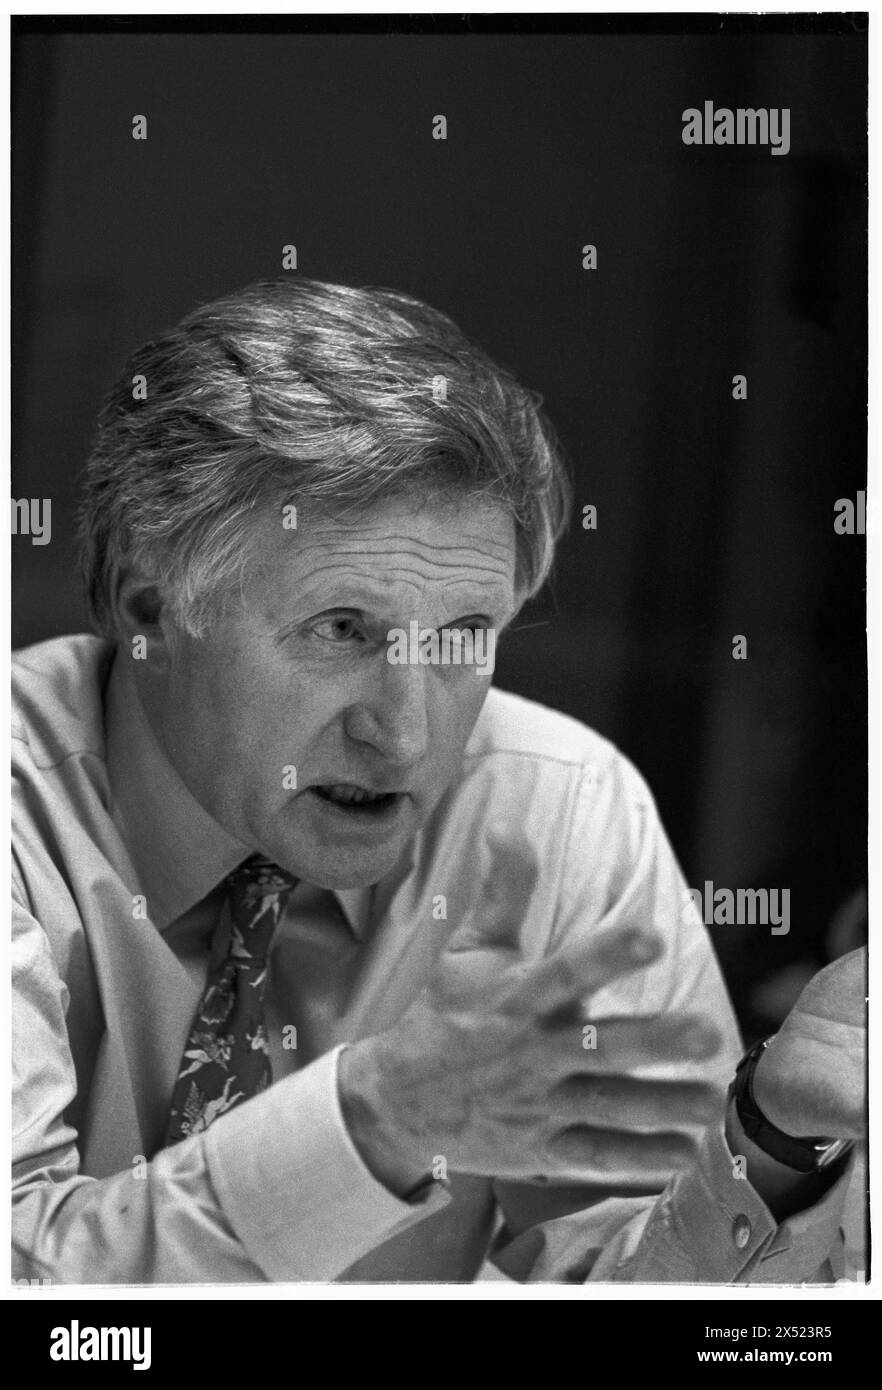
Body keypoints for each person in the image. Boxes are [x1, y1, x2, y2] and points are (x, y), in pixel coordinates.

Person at [12, 278, 865, 1284]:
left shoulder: (559, 811)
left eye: (465, 637)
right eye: (342, 630)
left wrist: (768, 1141)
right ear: (149, 606)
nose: (409, 738)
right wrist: (370, 1126)